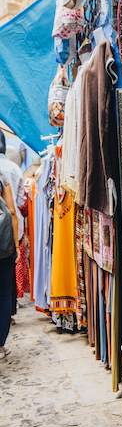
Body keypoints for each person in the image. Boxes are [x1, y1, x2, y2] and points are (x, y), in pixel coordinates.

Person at [0, 130, 25, 321]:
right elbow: (15, 208)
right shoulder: (11, 170)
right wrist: (16, 244)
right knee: (5, 288)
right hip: (6, 236)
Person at [0, 173, 19, 360]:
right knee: (4, 295)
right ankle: (0, 346)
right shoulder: (1, 176)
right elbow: (12, 211)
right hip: (3, 248)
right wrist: (15, 243)